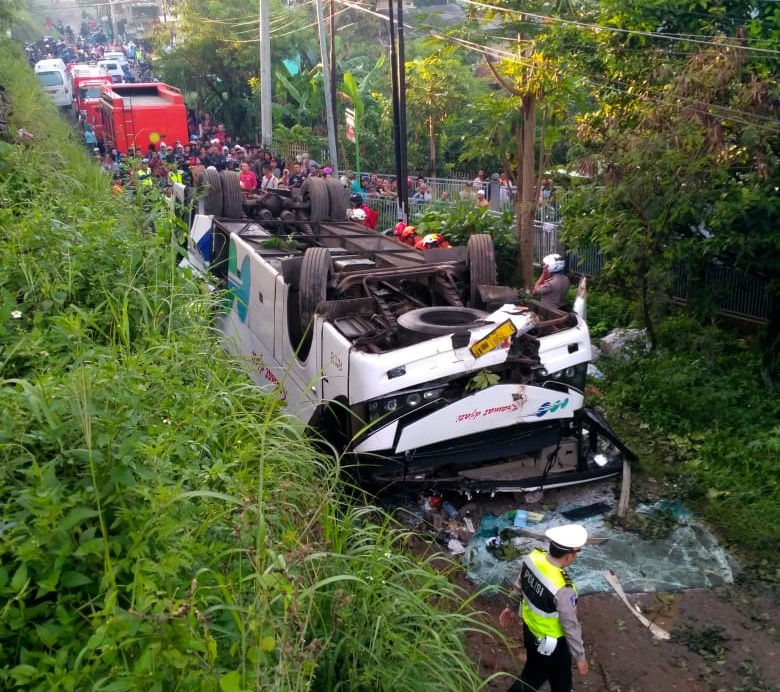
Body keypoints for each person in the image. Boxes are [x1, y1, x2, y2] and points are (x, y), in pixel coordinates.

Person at [499, 524, 589, 692]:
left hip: (530, 631)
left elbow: (519, 584)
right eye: (577, 552)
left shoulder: (533, 558)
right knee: (531, 679)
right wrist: (580, 657)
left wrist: (511, 606)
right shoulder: (563, 588)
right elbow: (570, 625)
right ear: (568, 556)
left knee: (561, 671)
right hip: (549, 643)